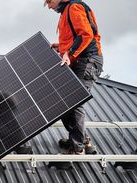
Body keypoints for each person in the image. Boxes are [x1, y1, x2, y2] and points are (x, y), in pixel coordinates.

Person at [44, 0, 103, 154]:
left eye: (49, 1)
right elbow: (75, 37)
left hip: (88, 61)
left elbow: (86, 34)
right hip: (79, 60)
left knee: (74, 101)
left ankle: (78, 147)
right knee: (63, 102)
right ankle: (81, 139)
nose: (49, 6)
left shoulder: (74, 7)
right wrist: (61, 47)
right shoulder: (66, 11)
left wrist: (69, 53)